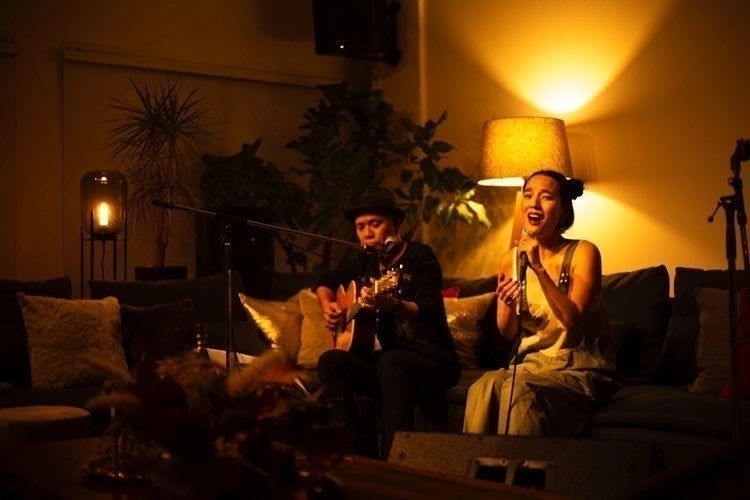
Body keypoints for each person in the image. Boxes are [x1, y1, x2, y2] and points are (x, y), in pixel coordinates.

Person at [463, 169, 620, 436]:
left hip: (578, 369)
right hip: (531, 365)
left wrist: (538, 267)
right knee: (484, 386)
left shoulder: (584, 252)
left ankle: (520, 463)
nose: (534, 203)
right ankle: (473, 462)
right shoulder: (510, 259)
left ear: (563, 209)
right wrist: (507, 303)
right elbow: (508, 332)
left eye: (546, 197)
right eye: (528, 195)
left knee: (520, 392)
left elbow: (571, 319)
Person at [315, 187, 460, 458]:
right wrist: (328, 306)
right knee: (330, 361)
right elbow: (323, 283)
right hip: (388, 366)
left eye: (375, 223)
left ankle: (396, 460)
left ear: (397, 223)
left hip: (433, 360)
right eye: (360, 227)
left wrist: (392, 304)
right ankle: (350, 454)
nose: (367, 233)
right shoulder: (363, 262)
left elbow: (427, 309)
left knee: (391, 360)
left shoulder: (420, 256)